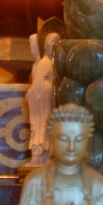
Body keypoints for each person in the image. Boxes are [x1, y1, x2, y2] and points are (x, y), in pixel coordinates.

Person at [24, 32, 61, 162]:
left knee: (47, 125)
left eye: (56, 43)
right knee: (38, 126)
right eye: (50, 43)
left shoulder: (55, 63)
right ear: (45, 45)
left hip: (48, 99)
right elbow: (37, 82)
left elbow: (54, 83)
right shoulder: (39, 64)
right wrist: (32, 92)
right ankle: (39, 154)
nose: (52, 46)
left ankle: (48, 154)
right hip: (39, 101)